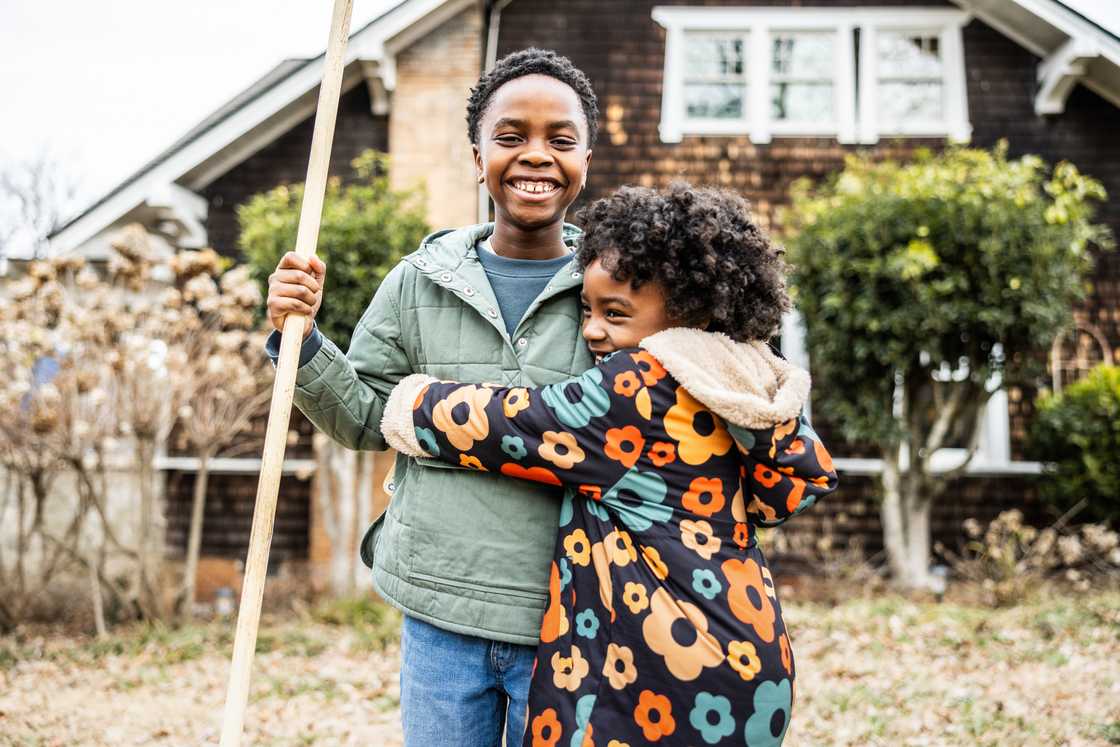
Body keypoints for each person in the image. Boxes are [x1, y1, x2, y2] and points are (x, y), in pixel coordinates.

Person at [381, 182, 839, 746]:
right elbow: (789, 488)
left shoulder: (638, 389)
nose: (593, 329)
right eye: (588, 309)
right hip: (745, 648)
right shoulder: (741, 375)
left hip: (665, 659)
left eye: (615, 313)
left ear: (685, 313)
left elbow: (517, 424)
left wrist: (409, 401)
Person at [264, 49, 600, 746]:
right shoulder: (421, 280)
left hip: (572, 614)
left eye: (560, 140)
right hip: (440, 613)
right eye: (510, 137)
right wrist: (302, 337)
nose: (535, 156)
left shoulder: (615, 288)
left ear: (586, 159)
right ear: (476, 157)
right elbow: (362, 416)